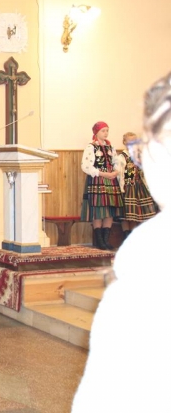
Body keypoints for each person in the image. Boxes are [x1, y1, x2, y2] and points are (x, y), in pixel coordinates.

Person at [72, 73, 171, 412]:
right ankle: (100, 240)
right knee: (102, 216)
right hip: (99, 182)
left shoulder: (144, 252)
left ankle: (103, 238)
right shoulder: (142, 251)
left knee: (110, 216)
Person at [80, 122, 123, 250]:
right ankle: (99, 241)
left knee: (109, 210)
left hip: (111, 181)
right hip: (98, 179)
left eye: (107, 130)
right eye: (103, 131)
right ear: (96, 132)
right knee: (98, 211)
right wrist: (103, 174)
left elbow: (116, 162)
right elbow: (86, 166)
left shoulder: (110, 147)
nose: (106, 133)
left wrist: (116, 171)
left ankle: (105, 240)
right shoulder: (91, 147)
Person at [116, 132, 159, 239]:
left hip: (139, 186)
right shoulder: (122, 157)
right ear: (124, 142)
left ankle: (134, 235)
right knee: (127, 213)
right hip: (128, 187)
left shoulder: (139, 155)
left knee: (137, 213)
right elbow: (120, 173)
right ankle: (126, 234)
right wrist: (121, 187)